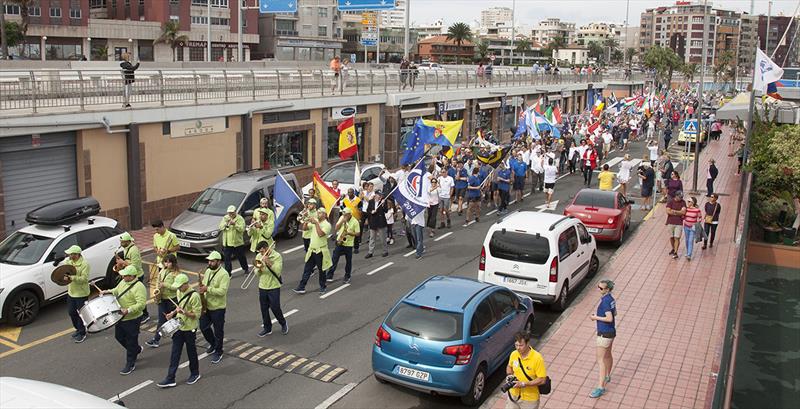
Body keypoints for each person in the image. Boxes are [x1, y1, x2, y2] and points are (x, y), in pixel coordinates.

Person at [156, 273, 202, 388]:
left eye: (180, 286)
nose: (178, 288)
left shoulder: (194, 296)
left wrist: (185, 313)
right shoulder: (178, 291)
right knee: (175, 352)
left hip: (190, 328)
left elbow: (197, 315)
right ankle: (170, 378)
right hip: (179, 326)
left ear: (186, 284)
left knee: (191, 352)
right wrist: (172, 313)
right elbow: (179, 306)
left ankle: (195, 373)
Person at [100, 265, 146, 375]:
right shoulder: (123, 282)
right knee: (119, 337)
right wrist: (108, 292)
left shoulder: (139, 287)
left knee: (131, 340)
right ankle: (136, 349)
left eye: (125, 275)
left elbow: (141, 304)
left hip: (132, 318)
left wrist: (129, 310)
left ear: (132, 276)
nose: (123, 277)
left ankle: (130, 363)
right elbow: (117, 290)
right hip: (121, 316)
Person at [198, 251, 230, 364]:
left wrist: (207, 289)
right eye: (209, 261)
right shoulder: (208, 271)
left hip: (218, 307)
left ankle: (218, 351)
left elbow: (222, 291)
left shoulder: (224, 274)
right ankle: (213, 343)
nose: (210, 263)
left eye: (212, 261)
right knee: (203, 327)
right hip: (207, 305)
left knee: (218, 331)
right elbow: (205, 284)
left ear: (218, 261)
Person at [145, 254, 181, 348]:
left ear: (173, 263)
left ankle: (181, 337)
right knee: (161, 320)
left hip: (172, 299)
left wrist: (165, 285)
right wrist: (157, 291)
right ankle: (156, 340)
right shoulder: (162, 271)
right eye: (165, 261)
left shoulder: (177, 274)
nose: (167, 264)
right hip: (162, 299)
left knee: (175, 320)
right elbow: (158, 282)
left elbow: (176, 287)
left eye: (169, 262)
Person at [505, 331, 548, 409]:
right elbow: (509, 366)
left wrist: (524, 384)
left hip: (530, 399)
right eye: (516, 345)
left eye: (521, 345)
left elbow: (542, 380)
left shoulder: (537, 358)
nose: (518, 348)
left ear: (528, 343)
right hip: (513, 395)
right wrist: (509, 375)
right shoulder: (514, 354)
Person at [589, 279, 617, 399]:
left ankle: (600, 387)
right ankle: (607, 376)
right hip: (611, 332)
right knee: (608, 355)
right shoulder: (611, 299)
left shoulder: (605, 301)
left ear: (607, 289)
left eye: (601, 288)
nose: (599, 289)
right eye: (598, 287)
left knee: (600, 360)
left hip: (604, 333)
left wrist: (595, 317)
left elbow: (610, 318)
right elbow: (615, 313)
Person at [254, 241, 288, 336]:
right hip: (262, 286)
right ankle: (267, 328)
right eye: (260, 252)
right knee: (264, 309)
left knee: (275, 307)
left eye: (262, 251)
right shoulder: (258, 257)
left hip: (274, 286)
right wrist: (259, 268)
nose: (261, 253)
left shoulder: (277, 256)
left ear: (267, 248)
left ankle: (283, 323)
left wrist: (268, 262)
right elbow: (256, 273)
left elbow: (277, 271)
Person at [294, 209, 332, 294]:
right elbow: (304, 229)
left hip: (320, 251)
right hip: (312, 250)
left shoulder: (327, 225)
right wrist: (306, 220)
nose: (318, 214)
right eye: (318, 212)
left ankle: (323, 286)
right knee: (307, 269)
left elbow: (320, 234)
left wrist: (316, 223)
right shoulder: (315, 221)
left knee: (321, 270)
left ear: (325, 215)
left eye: (320, 213)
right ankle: (301, 287)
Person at [118, 232, 149, 323]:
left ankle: (145, 315)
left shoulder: (133, 250)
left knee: (139, 297)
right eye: (121, 242)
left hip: (136, 275)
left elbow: (135, 266)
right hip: (129, 273)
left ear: (128, 241)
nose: (121, 244)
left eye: (122, 242)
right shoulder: (126, 248)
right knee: (132, 296)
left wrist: (123, 262)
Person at [326, 208, 360, 284]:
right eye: (343, 214)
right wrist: (342, 221)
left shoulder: (355, 222)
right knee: (334, 259)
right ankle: (329, 275)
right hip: (340, 242)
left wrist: (349, 233)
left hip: (348, 244)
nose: (344, 216)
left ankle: (347, 276)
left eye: (346, 215)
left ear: (350, 214)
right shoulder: (342, 218)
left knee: (348, 261)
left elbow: (358, 233)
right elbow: (336, 228)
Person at [64, 245, 89, 343]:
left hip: (81, 293)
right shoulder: (68, 262)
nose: (69, 256)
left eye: (71, 254)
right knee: (71, 312)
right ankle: (78, 329)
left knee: (82, 314)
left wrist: (72, 278)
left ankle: (82, 332)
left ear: (77, 254)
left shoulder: (85, 264)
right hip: (71, 292)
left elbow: (84, 279)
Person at [219, 205, 248, 276]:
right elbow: (220, 227)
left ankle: (246, 269)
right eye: (229, 213)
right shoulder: (225, 218)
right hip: (227, 243)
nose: (231, 214)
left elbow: (242, 229)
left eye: (232, 213)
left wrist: (235, 224)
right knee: (227, 259)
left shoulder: (240, 218)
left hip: (237, 243)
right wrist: (226, 224)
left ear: (235, 212)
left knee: (241, 257)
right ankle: (228, 273)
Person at [365, 191, 389, 258]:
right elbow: (368, 210)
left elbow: (386, 210)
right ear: (375, 195)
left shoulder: (383, 201)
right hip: (373, 222)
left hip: (381, 222)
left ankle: (385, 251)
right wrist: (371, 212)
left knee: (382, 238)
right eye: (379, 195)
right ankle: (370, 252)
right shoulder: (371, 201)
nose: (381, 196)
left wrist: (383, 204)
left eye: (381, 195)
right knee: (372, 238)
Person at [665, 191, 687, 259]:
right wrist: (678, 212)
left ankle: (675, 252)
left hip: (679, 223)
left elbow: (683, 212)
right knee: (671, 237)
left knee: (677, 237)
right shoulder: (671, 202)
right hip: (670, 222)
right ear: (676, 196)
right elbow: (668, 211)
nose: (681, 198)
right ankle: (673, 248)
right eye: (680, 197)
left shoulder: (683, 202)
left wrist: (674, 211)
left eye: (682, 197)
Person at [683, 197, 702, 261]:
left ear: (692, 203)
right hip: (686, 226)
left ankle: (689, 255)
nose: (687, 202)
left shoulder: (697, 210)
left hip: (692, 228)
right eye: (687, 201)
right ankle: (688, 251)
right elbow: (683, 216)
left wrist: (697, 223)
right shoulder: (686, 209)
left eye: (689, 201)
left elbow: (700, 217)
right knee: (687, 240)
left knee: (690, 241)